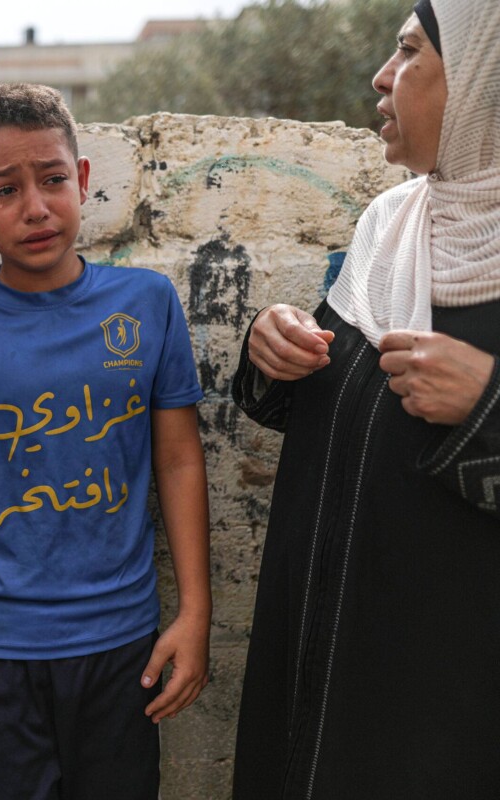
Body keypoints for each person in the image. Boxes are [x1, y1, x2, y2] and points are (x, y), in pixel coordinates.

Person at [0, 83, 212, 800]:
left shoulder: (146, 305)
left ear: (84, 181)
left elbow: (178, 460)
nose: (35, 208)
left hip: (121, 643)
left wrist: (195, 614)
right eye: (5, 191)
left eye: (52, 180)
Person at [232, 0, 500, 795]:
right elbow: (327, 401)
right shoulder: (390, 228)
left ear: (485, 84)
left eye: (411, 53)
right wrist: (269, 350)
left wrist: (488, 405)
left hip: (444, 699)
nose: (382, 78)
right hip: (321, 653)